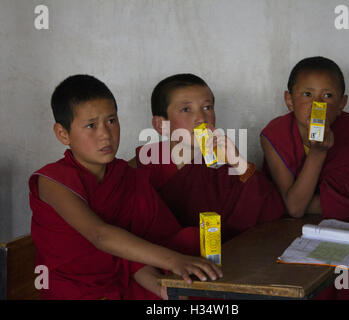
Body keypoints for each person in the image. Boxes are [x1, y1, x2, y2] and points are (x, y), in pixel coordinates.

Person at [29, 74, 222, 300]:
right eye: (91, 125)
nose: (105, 134)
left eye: (111, 121)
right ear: (63, 134)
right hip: (74, 293)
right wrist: (174, 261)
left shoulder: (126, 178)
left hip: (123, 285)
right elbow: (100, 236)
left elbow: (132, 257)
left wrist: (161, 287)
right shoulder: (53, 180)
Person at [260, 56, 349, 299]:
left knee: (343, 277)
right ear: (289, 100)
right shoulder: (274, 134)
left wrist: (305, 200)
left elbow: (343, 201)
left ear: (342, 104)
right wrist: (318, 154)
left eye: (327, 96)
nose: (317, 104)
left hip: (339, 231)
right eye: (307, 94)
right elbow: (295, 209)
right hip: (281, 232)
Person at [129, 73, 285, 242]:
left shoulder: (223, 163)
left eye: (207, 108)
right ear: (161, 125)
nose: (201, 119)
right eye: (186, 109)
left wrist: (238, 163)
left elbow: (272, 210)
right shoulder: (144, 162)